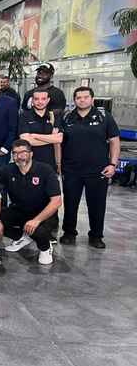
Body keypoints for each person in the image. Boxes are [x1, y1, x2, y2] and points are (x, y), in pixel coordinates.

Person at [60, 86, 120, 249]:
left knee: (97, 204)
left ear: (92, 99)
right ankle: (69, 232)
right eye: (78, 98)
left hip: (98, 170)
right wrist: (59, 164)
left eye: (86, 97)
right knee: (70, 203)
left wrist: (113, 164)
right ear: (74, 100)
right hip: (71, 169)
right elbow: (59, 142)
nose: (82, 100)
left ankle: (96, 235)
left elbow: (114, 141)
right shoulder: (67, 117)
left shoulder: (104, 116)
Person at [0, 139, 62, 265]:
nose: (19, 157)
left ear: (31, 154)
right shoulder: (8, 170)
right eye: (15, 153)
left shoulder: (45, 171)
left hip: (43, 215)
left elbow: (57, 201)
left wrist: (36, 220)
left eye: (23, 152)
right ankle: (21, 237)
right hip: (20, 211)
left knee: (37, 230)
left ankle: (45, 248)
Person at [18, 88, 63, 173]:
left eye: (43, 99)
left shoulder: (54, 117)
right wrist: (51, 138)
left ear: (48, 100)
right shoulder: (24, 116)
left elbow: (59, 139)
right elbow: (26, 140)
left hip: (50, 164)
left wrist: (34, 135)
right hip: (29, 164)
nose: (40, 102)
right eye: (36, 99)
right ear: (32, 100)